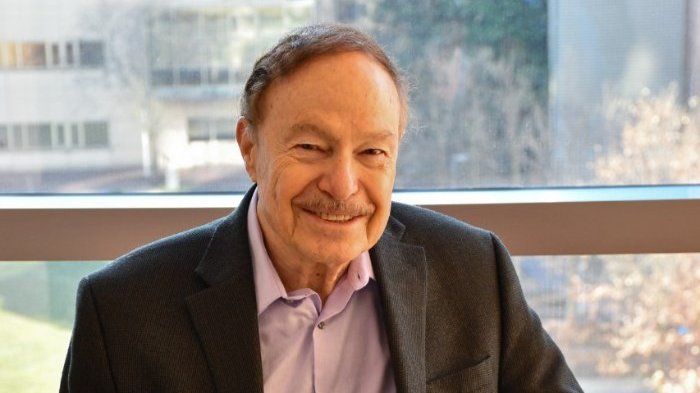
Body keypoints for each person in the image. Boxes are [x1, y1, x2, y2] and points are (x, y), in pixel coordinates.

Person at [60, 23, 583, 393]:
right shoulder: (123, 314)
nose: (342, 184)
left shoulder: (473, 271)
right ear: (249, 148)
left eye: (372, 152)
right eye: (310, 148)